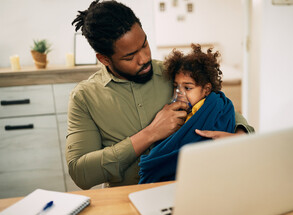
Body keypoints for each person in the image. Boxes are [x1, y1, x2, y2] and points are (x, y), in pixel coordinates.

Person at [67, 0, 254, 190]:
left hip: (188, 190)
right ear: (104, 59)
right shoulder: (84, 97)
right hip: (126, 199)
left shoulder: (175, 73)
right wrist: (150, 133)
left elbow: (219, 106)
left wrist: (240, 135)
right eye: (130, 57)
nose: (144, 58)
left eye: (144, 44)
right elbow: (81, 173)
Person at [138, 43, 242, 183]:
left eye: (188, 88)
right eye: (176, 87)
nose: (180, 93)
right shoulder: (180, 110)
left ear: (206, 90)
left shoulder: (215, 107)